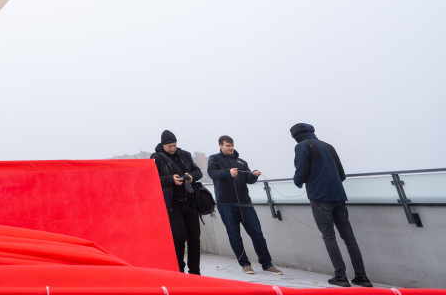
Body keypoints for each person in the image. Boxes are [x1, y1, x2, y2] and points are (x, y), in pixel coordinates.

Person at [291, 123, 373, 288]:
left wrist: (298, 181)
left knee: (329, 236)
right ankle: (362, 277)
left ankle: (340, 276)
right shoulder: (329, 146)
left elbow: (302, 172)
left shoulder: (302, 146)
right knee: (349, 237)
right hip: (338, 196)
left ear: (296, 136)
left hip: (320, 198)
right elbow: (341, 174)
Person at [207, 135, 283, 275]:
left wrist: (254, 175)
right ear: (220, 146)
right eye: (228, 145)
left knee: (257, 234)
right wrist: (228, 173)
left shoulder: (241, 161)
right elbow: (212, 173)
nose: (231, 148)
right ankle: (245, 264)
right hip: (226, 203)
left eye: (232, 145)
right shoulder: (215, 158)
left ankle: (267, 264)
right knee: (234, 235)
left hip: (245, 203)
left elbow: (248, 179)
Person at [151, 130, 202, 275]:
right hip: (173, 204)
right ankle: (178, 270)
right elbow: (153, 179)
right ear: (163, 145)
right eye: (169, 146)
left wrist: (191, 176)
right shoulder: (156, 158)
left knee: (194, 238)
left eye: (174, 145)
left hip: (190, 201)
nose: (172, 149)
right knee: (179, 237)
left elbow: (198, 171)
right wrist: (170, 179)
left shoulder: (185, 154)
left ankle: (195, 272)